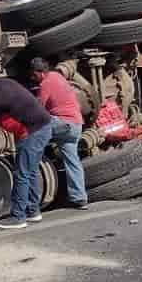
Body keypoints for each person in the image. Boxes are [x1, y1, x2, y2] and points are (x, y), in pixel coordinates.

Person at [0, 75, 54, 229]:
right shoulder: (0, 83)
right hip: (43, 127)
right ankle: (33, 211)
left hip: (32, 133)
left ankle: (18, 217)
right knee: (31, 172)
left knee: (21, 174)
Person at [27, 56, 88, 211]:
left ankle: (30, 189)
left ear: (40, 72)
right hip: (76, 125)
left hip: (63, 123)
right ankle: (79, 198)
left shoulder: (45, 83)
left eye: (33, 75)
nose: (32, 78)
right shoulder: (57, 76)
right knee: (72, 161)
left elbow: (38, 110)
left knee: (32, 139)